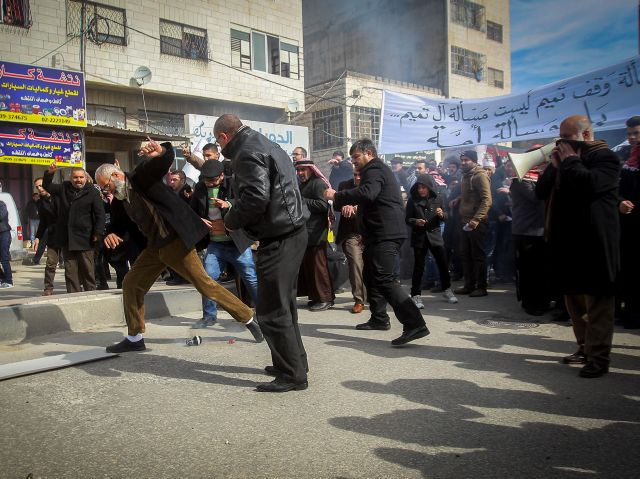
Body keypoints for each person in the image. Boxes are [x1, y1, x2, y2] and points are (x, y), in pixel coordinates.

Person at [95, 138, 263, 354]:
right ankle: (135, 337)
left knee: (204, 284)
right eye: (103, 188)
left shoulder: (140, 177)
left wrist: (162, 150)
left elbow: (160, 162)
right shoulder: (119, 200)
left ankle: (247, 317)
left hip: (175, 241)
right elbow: (118, 225)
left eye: (106, 185)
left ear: (116, 175)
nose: (107, 191)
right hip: (155, 247)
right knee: (131, 283)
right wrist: (110, 233)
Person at [215, 114, 309, 393]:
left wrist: (229, 220)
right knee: (284, 306)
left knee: (271, 309)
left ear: (223, 137)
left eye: (219, 144)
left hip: (280, 236)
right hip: (292, 231)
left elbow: (256, 197)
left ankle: (293, 375)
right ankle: (293, 363)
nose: (220, 150)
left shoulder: (246, 152)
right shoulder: (266, 143)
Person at [535, 115, 620, 378]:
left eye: (567, 137)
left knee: (598, 303)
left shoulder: (606, 159)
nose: (561, 142)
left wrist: (570, 161)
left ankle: (598, 358)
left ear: (585, 136)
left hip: (594, 242)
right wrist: (554, 166)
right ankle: (583, 347)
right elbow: (540, 192)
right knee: (575, 302)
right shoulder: (566, 162)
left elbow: (591, 184)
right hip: (569, 243)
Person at [325, 138, 429, 346]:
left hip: (386, 233)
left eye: (356, 158)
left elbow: (367, 194)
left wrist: (337, 195)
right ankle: (379, 318)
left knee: (384, 278)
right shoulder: (374, 170)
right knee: (370, 276)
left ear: (369, 153)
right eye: (352, 159)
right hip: (376, 233)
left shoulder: (373, 169)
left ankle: (415, 324)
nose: (354, 163)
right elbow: (372, 202)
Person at [189, 159, 258, 328]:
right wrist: (199, 220)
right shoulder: (200, 188)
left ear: (221, 176)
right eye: (206, 180)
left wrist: (228, 204)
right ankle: (209, 316)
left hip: (237, 244)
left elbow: (248, 202)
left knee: (251, 278)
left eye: (213, 180)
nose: (210, 184)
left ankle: (265, 311)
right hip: (215, 244)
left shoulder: (233, 184)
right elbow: (190, 211)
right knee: (207, 279)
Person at [43, 165, 105, 293]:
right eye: (75, 177)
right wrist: (49, 173)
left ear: (85, 178)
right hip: (67, 237)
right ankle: (73, 295)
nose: (78, 180)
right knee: (70, 271)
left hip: (85, 237)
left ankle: (90, 294)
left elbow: (100, 215)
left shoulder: (92, 191)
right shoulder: (64, 188)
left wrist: (98, 233)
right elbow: (47, 187)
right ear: (71, 178)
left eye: (81, 177)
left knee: (88, 269)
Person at [406, 173, 458, 308]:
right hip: (420, 237)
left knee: (442, 264)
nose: (421, 190)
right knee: (419, 266)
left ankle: (447, 290)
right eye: (419, 188)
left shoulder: (439, 198)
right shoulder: (413, 200)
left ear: (429, 187)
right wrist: (416, 221)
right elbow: (407, 219)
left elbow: (446, 216)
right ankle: (416, 295)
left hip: (435, 236)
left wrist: (442, 215)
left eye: (423, 187)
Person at [509, 146, 551, 316]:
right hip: (528, 231)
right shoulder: (522, 179)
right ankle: (532, 303)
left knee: (538, 269)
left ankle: (540, 300)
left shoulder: (533, 177)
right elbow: (536, 197)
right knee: (530, 270)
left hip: (537, 230)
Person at [294, 155, 335, 312]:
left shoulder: (317, 183)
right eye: (298, 170)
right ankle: (316, 297)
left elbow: (323, 205)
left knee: (319, 267)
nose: (300, 173)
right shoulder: (304, 185)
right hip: (307, 233)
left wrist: (303, 200)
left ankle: (325, 298)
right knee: (310, 268)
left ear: (311, 170)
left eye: (303, 170)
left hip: (317, 233)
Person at [452, 150, 492, 297]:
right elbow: (470, 193)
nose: (463, 163)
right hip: (465, 221)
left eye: (466, 160)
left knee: (478, 256)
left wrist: (476, 219)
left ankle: (481, 287)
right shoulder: (466, 176)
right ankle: (469, 285)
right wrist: (459, 198)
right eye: (462, 160)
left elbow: (487, 200)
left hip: (477, 222)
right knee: (466, 254)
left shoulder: (480, 176)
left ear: (474, 161)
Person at [617, 116, 639, 329]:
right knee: (629, 270)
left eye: (636, 133)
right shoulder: (626, 158)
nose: (632, 138)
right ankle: (631, 311)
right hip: (627, 224)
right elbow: (618, 191)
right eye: (629, 134)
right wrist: (621, 202)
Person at [335, 169, 366, 314]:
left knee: (371, 266)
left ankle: (372, 294)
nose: (357, 178)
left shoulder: (372, 185)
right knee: (355, 265)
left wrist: (359, 209)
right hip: (351, 233)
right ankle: (359, 299)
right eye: (355, 175)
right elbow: (336, 204)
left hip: (370, 233)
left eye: (360, 175)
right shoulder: (344, 185)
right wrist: (344, 206)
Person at [0, 199, 13, 288]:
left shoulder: (1, 205)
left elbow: (1, 216)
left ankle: (9, 281)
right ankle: (2, 278)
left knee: (4, 258)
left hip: (4, 233)